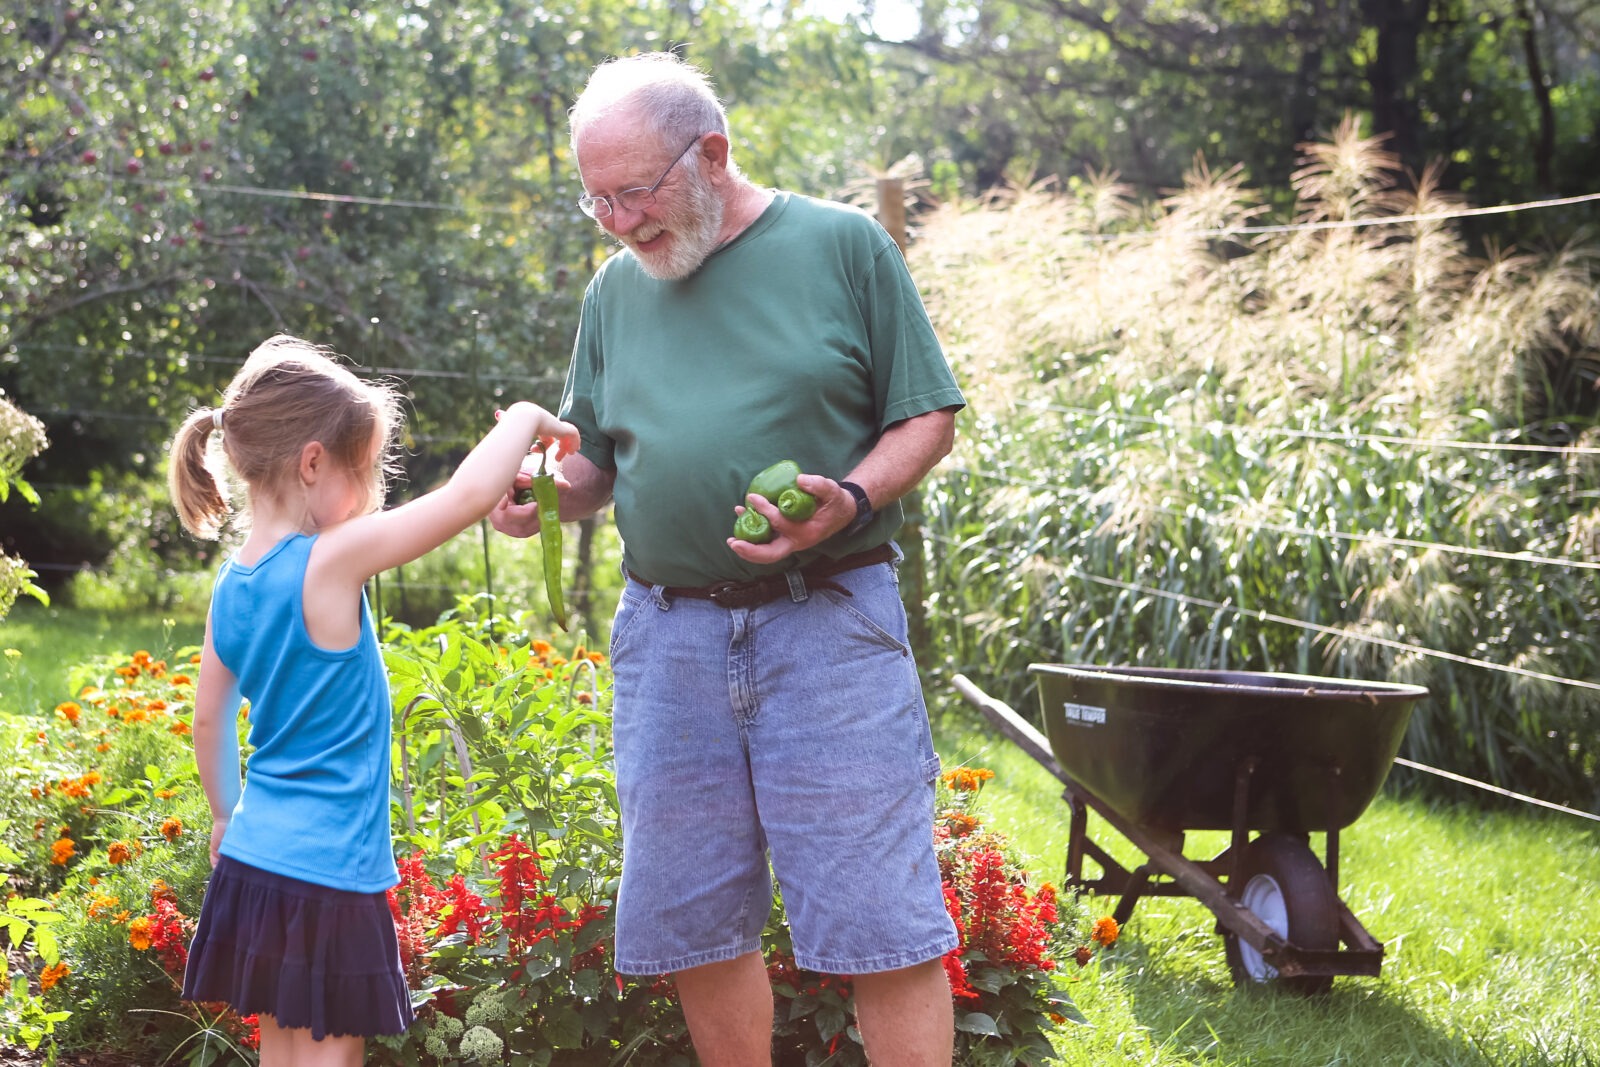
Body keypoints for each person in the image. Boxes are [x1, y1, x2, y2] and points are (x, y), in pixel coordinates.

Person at [490, 52, 967, 1066]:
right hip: (670, 635)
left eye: (634, 192)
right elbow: (593, 465)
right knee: (696, 920)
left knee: (881, 921)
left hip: (829, 617)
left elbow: (926, 415)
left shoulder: (842, 245)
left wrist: (850, 498)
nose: (619, 222)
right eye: (596, 200)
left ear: (711, 153)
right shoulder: (614, 292)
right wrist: (537, 491)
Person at [168, 334, 577, 1067]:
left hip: (255, 858)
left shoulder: (232, 584)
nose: (372, 493)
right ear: (312, 463)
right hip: (329, 866)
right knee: (331, 1051)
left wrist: (225, 813)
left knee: (284, 1044)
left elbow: (209, 717)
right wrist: (525, 416)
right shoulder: (329, 561)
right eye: (364, 469)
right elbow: (463, 499)